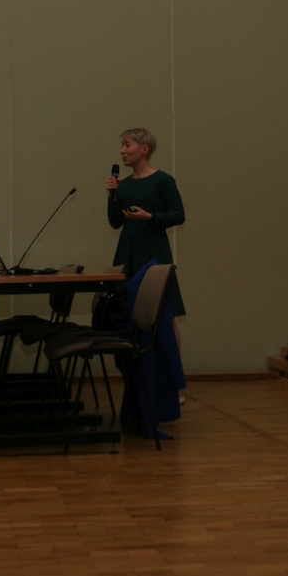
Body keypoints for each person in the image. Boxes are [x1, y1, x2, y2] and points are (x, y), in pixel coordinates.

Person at [104, 127, 187, 414]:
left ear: (144, 149)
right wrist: (112, 196)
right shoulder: (124, 185)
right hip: (128, 251)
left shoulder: (163, 180)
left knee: (165, 316)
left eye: (127, 145)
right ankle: (139, 382)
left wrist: (150, 216)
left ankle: (174, 386)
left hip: (154, 251)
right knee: (130, 316)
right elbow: (116, 222)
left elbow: (178, 215)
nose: (122, 151)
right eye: (122, 146)